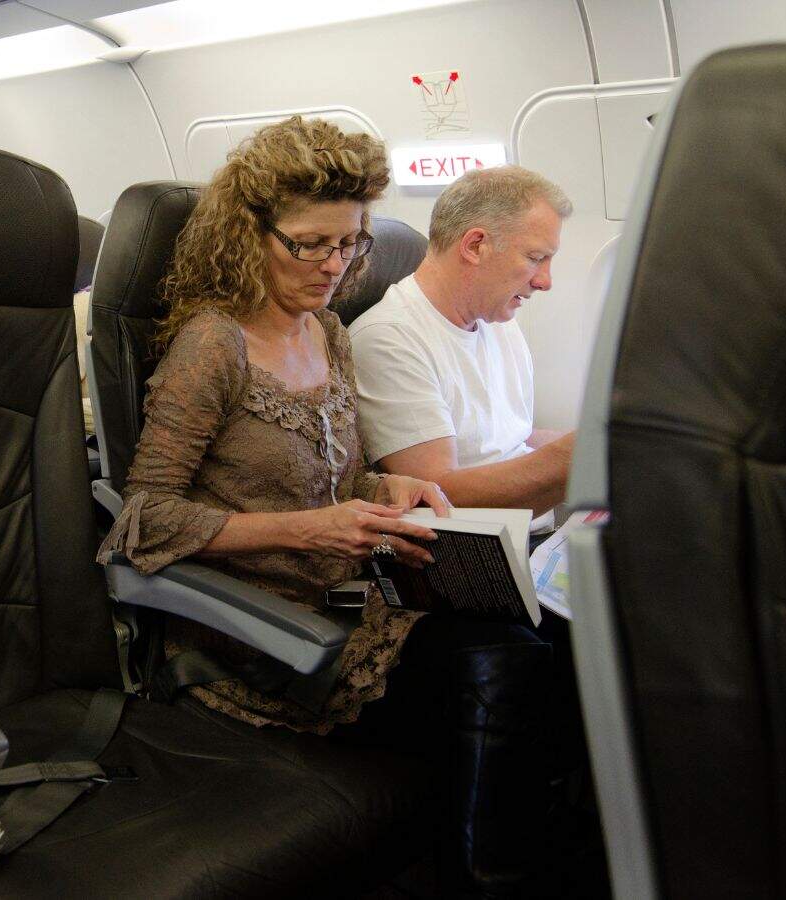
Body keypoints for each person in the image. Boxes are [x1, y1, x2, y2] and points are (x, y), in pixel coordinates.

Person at [96, 116, 562, 896]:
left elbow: (338, 485)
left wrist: (387, 491)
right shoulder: (213, 345)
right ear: (249, 235)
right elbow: (142, 518)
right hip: (253, 629)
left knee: (526, 633)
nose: (332, 264)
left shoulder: (329, 334)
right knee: (499, 663)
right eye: (309, 244)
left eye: (348, 244)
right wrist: (310, 527)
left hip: (348, 597)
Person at [349, 167, 574, 524]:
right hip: (480, 554)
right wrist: (570, 459)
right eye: (534, 258)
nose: (545, 281)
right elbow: (437, 494)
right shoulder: (388, 338)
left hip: (536, 535)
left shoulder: (497, 319)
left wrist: (604, 443)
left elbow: (512, 440)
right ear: (475, 246)